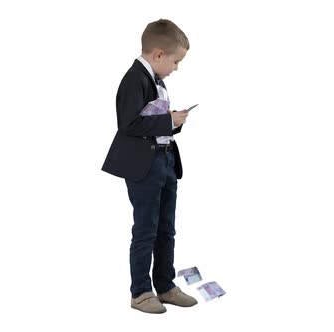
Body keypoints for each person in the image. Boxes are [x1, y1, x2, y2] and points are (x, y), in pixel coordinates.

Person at [102, 19, 197, 314]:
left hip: (165, 159)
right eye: (175, 61)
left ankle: (165, 285)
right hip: (145, 166)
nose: (176, 68)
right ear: (158, 54)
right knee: (146, 229)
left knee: (166, 227)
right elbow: (128, 124)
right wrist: (169, 120)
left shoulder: (157, 79)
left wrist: (173, 122)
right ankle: (141, 292)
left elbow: (151, 120)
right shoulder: (134, 79)